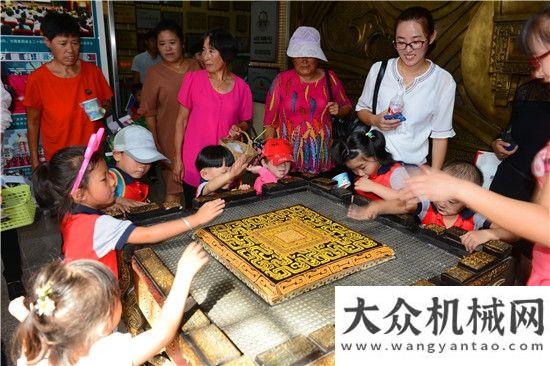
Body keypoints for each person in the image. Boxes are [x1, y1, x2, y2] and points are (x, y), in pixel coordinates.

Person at [32, 143, 225, 278]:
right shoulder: (100, 225)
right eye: (103, 179)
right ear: (79, 194)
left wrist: (116, 200)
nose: (113, 180)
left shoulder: (68, 211)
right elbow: (149, 234)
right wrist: (196, 219)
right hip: (96, 306)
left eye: (109, 174)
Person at [9, 244, 208, 365]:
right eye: (116, 296)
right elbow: (163, 332)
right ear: (104, 324)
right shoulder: (107, 355)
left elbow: (27, 317)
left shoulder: (40, 342)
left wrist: (28, 315)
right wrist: (184, 273)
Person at [356, 6, 455, 170]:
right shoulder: (379, 70)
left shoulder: (443, 81)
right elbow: (361, 109)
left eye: (416, 42)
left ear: (431, 37)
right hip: (373, 164)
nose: (408, 50)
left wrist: (434, 178)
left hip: (411, 169)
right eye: (401, 42)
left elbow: (440, 136)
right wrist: (375, 120)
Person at [174, 28, 253, 205]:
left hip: (225, 163)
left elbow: (246, 122)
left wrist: (239, 128)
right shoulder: (192, 80)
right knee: (193, 206)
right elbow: (181, 121)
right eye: (203, 51)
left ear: (225, 53)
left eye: (211, 51)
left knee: (226, 210)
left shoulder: (242, 87)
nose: (205, 56)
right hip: (194, 159)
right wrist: (177, 158)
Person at [24, 12, 112, 169]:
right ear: (48, 42)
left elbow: (107, 105)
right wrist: (35, 162)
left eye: (75, 43)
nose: (70, 50)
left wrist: (100, 111)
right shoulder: (37, 79)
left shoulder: (93, 72)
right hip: (60, 161)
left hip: (93, 156)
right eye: (63, 43)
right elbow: (33, 123)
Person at [263, 26, 352, 176]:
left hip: (322, 158)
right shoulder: (281, 81)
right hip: (286, 161)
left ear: (317, 57)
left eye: (310, 55)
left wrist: (339, 109)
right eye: (299, 55)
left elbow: (347, 106)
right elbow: (269, 122)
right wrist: (271, 155)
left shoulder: (330, 78)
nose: (304, 61)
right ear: (292, 58)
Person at [140, 21, 200, 205]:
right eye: (162, 44)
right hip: (168, 137)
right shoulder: (154, 73)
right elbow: (149, 113)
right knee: (174, 188)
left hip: (198, 134)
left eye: (172, 42)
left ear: (182, 43)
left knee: (201, 186)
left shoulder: (197, 67)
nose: (168, 48)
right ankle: (173, 230)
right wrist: (156, 142)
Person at [331, 128, 409, 201]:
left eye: (363, 167)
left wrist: (373, 187)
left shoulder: (396, 173)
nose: (360, 173)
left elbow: (407, 201)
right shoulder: (357, 173)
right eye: (353, 169)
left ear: (376, 156)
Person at [109, 125, 169, 206]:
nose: (143, 165)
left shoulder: (137, 178)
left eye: (148, 160)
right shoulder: (110, 178)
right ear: (117, 155)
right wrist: (115, 200)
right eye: (137, 158)